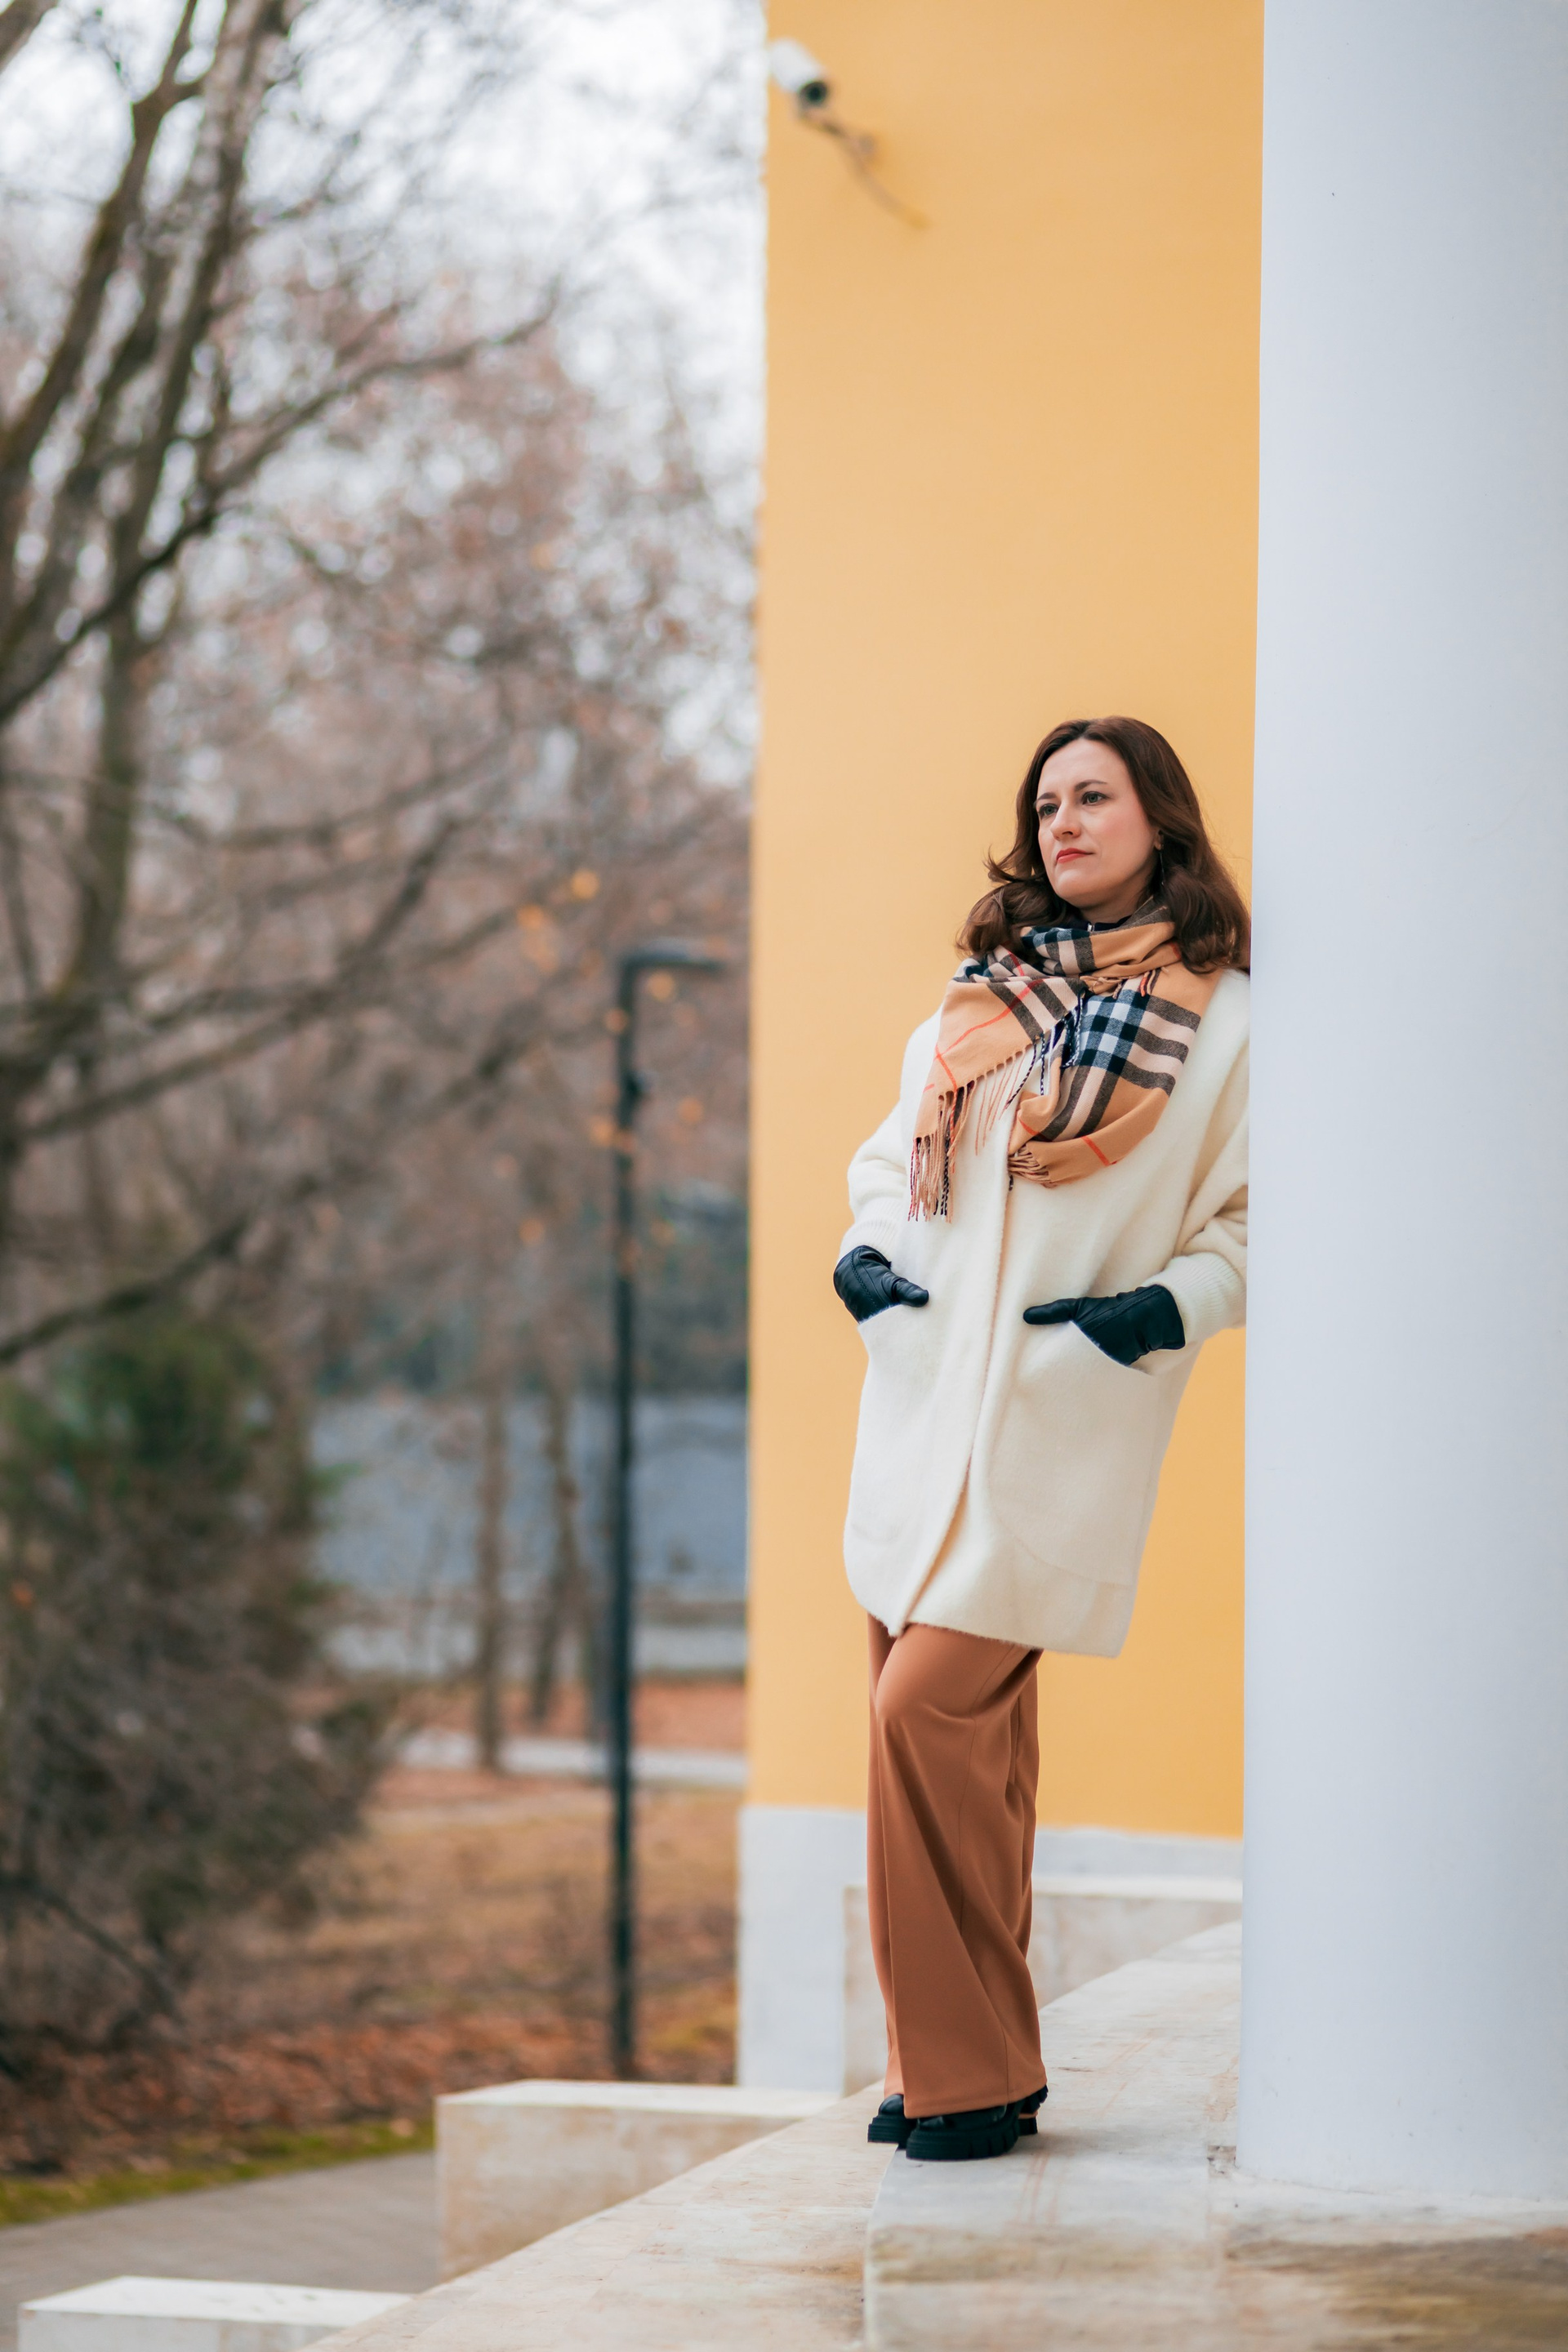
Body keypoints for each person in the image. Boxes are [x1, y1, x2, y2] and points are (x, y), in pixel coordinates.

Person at [833, 716, 1250, 2163]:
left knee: (921, 1718)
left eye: (1094, 798)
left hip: (1058, 1419)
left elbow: (1260, 1221)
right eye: (1048, 802)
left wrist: (1161, 1310)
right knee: (969, 1761)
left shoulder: (1230, 1027)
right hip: (918, 1411)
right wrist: (868, 1265)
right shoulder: (978, 1003)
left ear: (1158, 822)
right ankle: (968, 2067)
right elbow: (888, 1164)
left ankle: (961, 2078)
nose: (1063, 822)